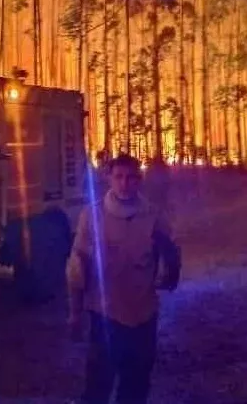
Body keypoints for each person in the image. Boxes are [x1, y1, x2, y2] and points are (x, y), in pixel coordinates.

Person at [67, 153, 181, 404]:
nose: (124, 183)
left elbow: (171, 250)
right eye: (118, 177)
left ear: (138, 180)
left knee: (136, 385)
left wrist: (171, 273)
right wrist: (75, 313)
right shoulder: (92, 216)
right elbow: (77, 266)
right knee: (98, 385)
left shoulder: (153, 215)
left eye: (130, 178)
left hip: (143, 314)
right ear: (109, 178)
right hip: (105, 313)